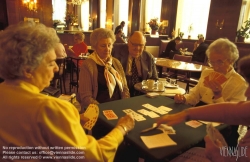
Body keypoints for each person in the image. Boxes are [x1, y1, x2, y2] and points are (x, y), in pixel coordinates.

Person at [0, 21, 135, 162]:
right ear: (28, 70)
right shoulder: (53, 109)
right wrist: (122, 128)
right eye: (51, 63)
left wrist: (72, 120)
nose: (57, 69)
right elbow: (95, 157)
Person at [157, 55, 250, 162]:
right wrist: (185, 114)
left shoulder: (239, 82)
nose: (247, 93)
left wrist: (220, 156)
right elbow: (226, 111)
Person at [174, 38, 247, 106]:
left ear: (231, 61)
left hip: (216, 118)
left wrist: (218, 95)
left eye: (220, 62)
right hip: (198, 110)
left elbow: (233, 115)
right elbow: (195, 95)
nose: (215, 67)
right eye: (212, 62)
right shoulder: (206, 72)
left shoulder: (241, 84)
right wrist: (184, 99)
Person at [78, 28, 130, 108]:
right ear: (95, 47)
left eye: (109, 45)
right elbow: (86, 98)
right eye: (103, 46)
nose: (107, 49)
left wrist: (124, 104)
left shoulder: (116, 62)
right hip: (99, 110)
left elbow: (125, 88)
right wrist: (105, 110)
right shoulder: (87, 65)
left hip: (119, 106)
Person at [112, 31, 158, 97]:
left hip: (141, 94)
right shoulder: (115, 51)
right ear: (128, 42)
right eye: (134, 44)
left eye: (141, 45)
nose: (137, 48)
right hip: (120, 93)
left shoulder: (148, 57)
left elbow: (155, 79)